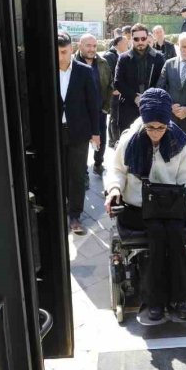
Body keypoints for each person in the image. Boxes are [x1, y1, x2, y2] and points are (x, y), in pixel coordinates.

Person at [104, 88, 186, 324]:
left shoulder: (179, 140)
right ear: (144, 122)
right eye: (151, 127)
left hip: (170, 204)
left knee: (177, 237)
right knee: (157, 236)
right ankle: (154, 302)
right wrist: (115, 189)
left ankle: (180, 299)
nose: (156, 133)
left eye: (161, 127)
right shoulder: (131, 139)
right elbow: (116, 169)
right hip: (138, 207)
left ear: (168, 123)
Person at [58, 32, 101, 235]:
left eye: (64, 52)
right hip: (54, 132)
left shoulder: (84, 71)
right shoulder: (47, 68)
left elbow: (93, 103)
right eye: (56, 52)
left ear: (72, 49)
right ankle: (58, 212)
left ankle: (75, 215)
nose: (60, 57)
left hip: (78, 132)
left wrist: (96, 132)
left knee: (77, 175)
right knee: (57, 173)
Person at [157, 32, 186, 176]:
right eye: (183, 47)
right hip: (171, 118)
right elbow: (160, 88)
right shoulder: (169, 63)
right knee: (169, 152)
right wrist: (170, 105)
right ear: (178, 45)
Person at [113, 23, 165, 133]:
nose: (140, 42)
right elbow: (118, 82)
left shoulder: (158, 57)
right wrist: (135, 97)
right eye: (136, 39)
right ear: (131, 39)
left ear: (147, 38)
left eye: (143, 38)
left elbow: (162, 82)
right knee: (128, 143)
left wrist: (149, 97)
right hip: (128, 107)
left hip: (152, 106)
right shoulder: (124, 58)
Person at [74, 33, 113, 175]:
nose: (92, 49)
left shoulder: (102, 63)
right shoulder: (72, 63)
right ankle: (83, 172)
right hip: (80, 114)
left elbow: (110, 86)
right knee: (81, 145)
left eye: (94, 46)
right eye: (88, 45)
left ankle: (98, 163)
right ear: (80, 46)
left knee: (100, 141)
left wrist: (105, 108)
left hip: (99, 111)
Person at [104, 35, 129, 147]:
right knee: (114, 116)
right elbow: (108, 74)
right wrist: (114, 88)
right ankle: (113, 140)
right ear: (118, 44)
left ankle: (114, 139)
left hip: (121, 91)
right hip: (114, 92)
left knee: (117, 115)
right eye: (125, 43)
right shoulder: (110, 56)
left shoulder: (122, 55)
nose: (127, 45)